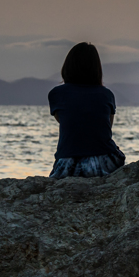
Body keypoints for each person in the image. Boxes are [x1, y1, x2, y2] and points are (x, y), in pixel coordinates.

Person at [48, 42, 125, 178]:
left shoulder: (57, 94)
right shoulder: (106, 94)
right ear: (97, 69)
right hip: (105, 160)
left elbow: (66, 122)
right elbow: (106, 127)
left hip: (68, 162)